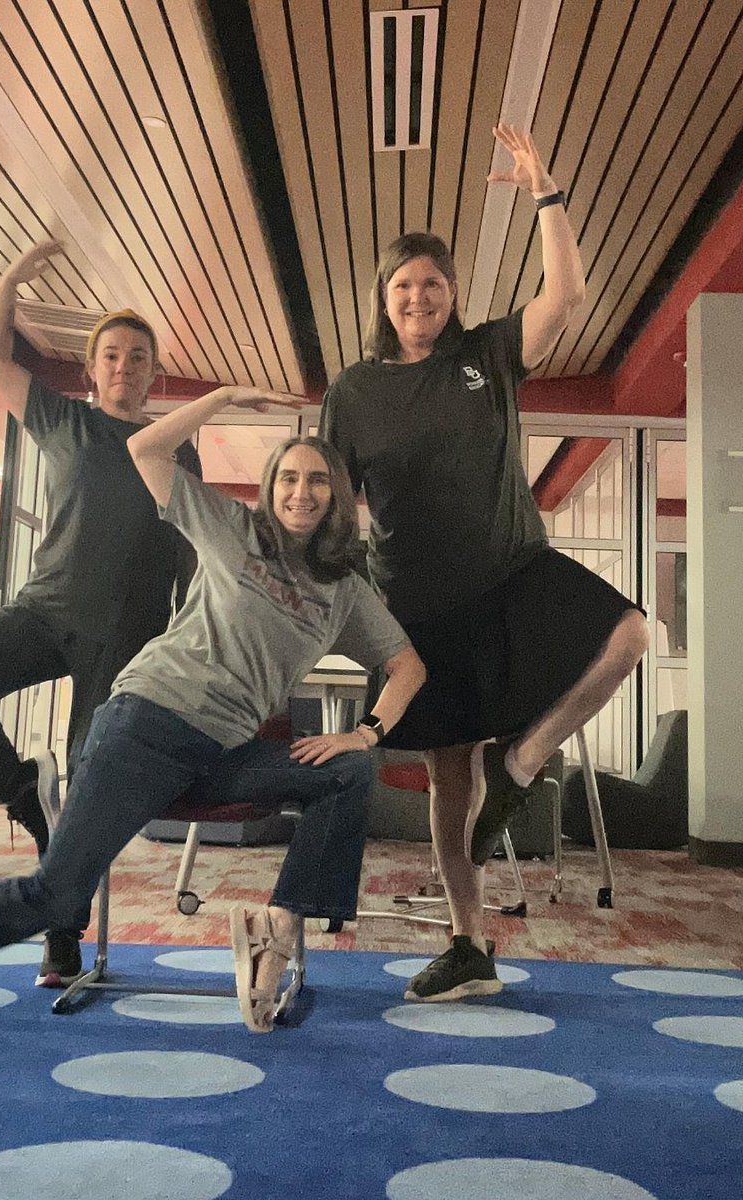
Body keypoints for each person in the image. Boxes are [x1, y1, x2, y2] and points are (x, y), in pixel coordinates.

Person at [0, 385, 427, 1035]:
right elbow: (146, 449)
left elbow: (408, 666)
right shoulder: (235, 528)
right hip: (146, 724)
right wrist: (226, 396)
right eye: (288, 476)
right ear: (270, 486)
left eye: (317, 480)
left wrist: (367, 732)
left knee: (347, 773)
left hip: (223, 753)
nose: (302, 491)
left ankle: (278, 928)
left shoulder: (343, 589)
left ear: (336, 495)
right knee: (55, 896)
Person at [320, 125, 649, 1003]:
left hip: (514, 568)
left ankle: (529, 755)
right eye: (402, 285)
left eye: (432, 283)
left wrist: (547, 193)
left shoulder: (486, 355)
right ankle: (469, 945)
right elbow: (332, 506)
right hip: (419, 606)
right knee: (446, 774)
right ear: (383, 300)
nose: (417, 296)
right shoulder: (352, 391)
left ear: (452, 294)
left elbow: (566, 294)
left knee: (628, 634)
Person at [0, 240, 201, 986]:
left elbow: (198, 553)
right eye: (111, 355)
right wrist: (9, 278)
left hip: (128, 638)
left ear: (151, 371)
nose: (124, 366)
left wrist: (188, 636)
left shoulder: (175, 448)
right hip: (45, 610)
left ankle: (61, 935)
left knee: (92, 784)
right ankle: (23, 794)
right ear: (93, 368)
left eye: (138, 356)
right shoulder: (62, 421)